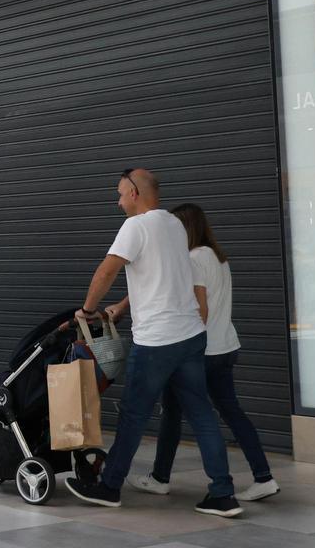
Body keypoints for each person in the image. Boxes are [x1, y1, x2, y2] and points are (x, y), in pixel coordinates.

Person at [65, 169, 241, 517]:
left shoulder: (136, 226)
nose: (118, 202)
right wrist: (123, 306)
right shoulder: (174, 225)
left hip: (157, 340)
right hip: (190, 335)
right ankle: (223, 494)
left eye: (120, 194)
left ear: (134, 193)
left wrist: (86, 310)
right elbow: (163, 277)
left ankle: (109, 486)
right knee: (201, 414)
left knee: (133, 414)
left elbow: (107, 270)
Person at [126, 203, 280, 502]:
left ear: (185, 229)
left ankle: (160, 477)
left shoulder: (193, 259)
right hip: (226, 347)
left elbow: (201, 309)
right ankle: (264, 477)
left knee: (175, 414)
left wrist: (184, 345)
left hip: (201, 352)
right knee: (231, 413)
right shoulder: (218, 257)